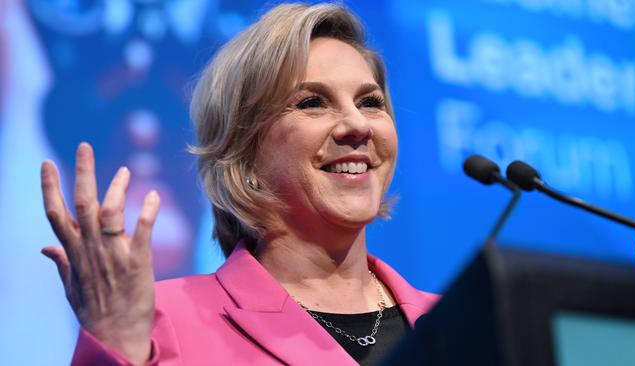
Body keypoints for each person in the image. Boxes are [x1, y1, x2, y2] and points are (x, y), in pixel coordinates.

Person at [40, 3, 439, 365]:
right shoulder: (163, 323)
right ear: (244, 155)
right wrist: (119, 346)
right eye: (312, 102)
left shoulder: (464, 322)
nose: (357, 125)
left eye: (370, 102)